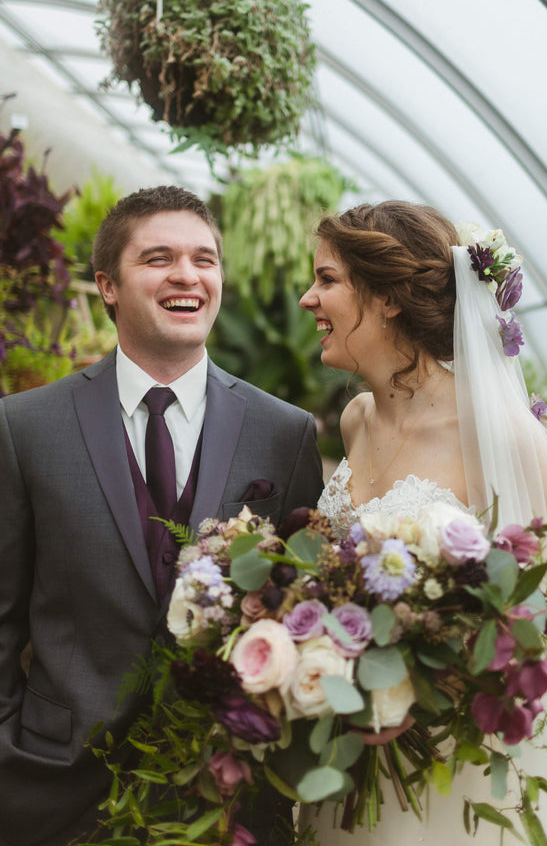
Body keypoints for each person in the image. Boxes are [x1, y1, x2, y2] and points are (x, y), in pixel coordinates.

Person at [0, 185, 323, 846]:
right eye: (158, 258)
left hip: (225, 793)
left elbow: (302, 612)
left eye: (204, 259)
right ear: (107, 285)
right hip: (54, 787)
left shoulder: (284, 434)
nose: (187, 275)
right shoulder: (23, 428)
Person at [298, 200, 547, 845]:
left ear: (389, 299)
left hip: (450, 771)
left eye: (328, 279)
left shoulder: (506, 435)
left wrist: (429, 679)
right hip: (344, 753)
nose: (310, 299)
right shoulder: (356, 421)